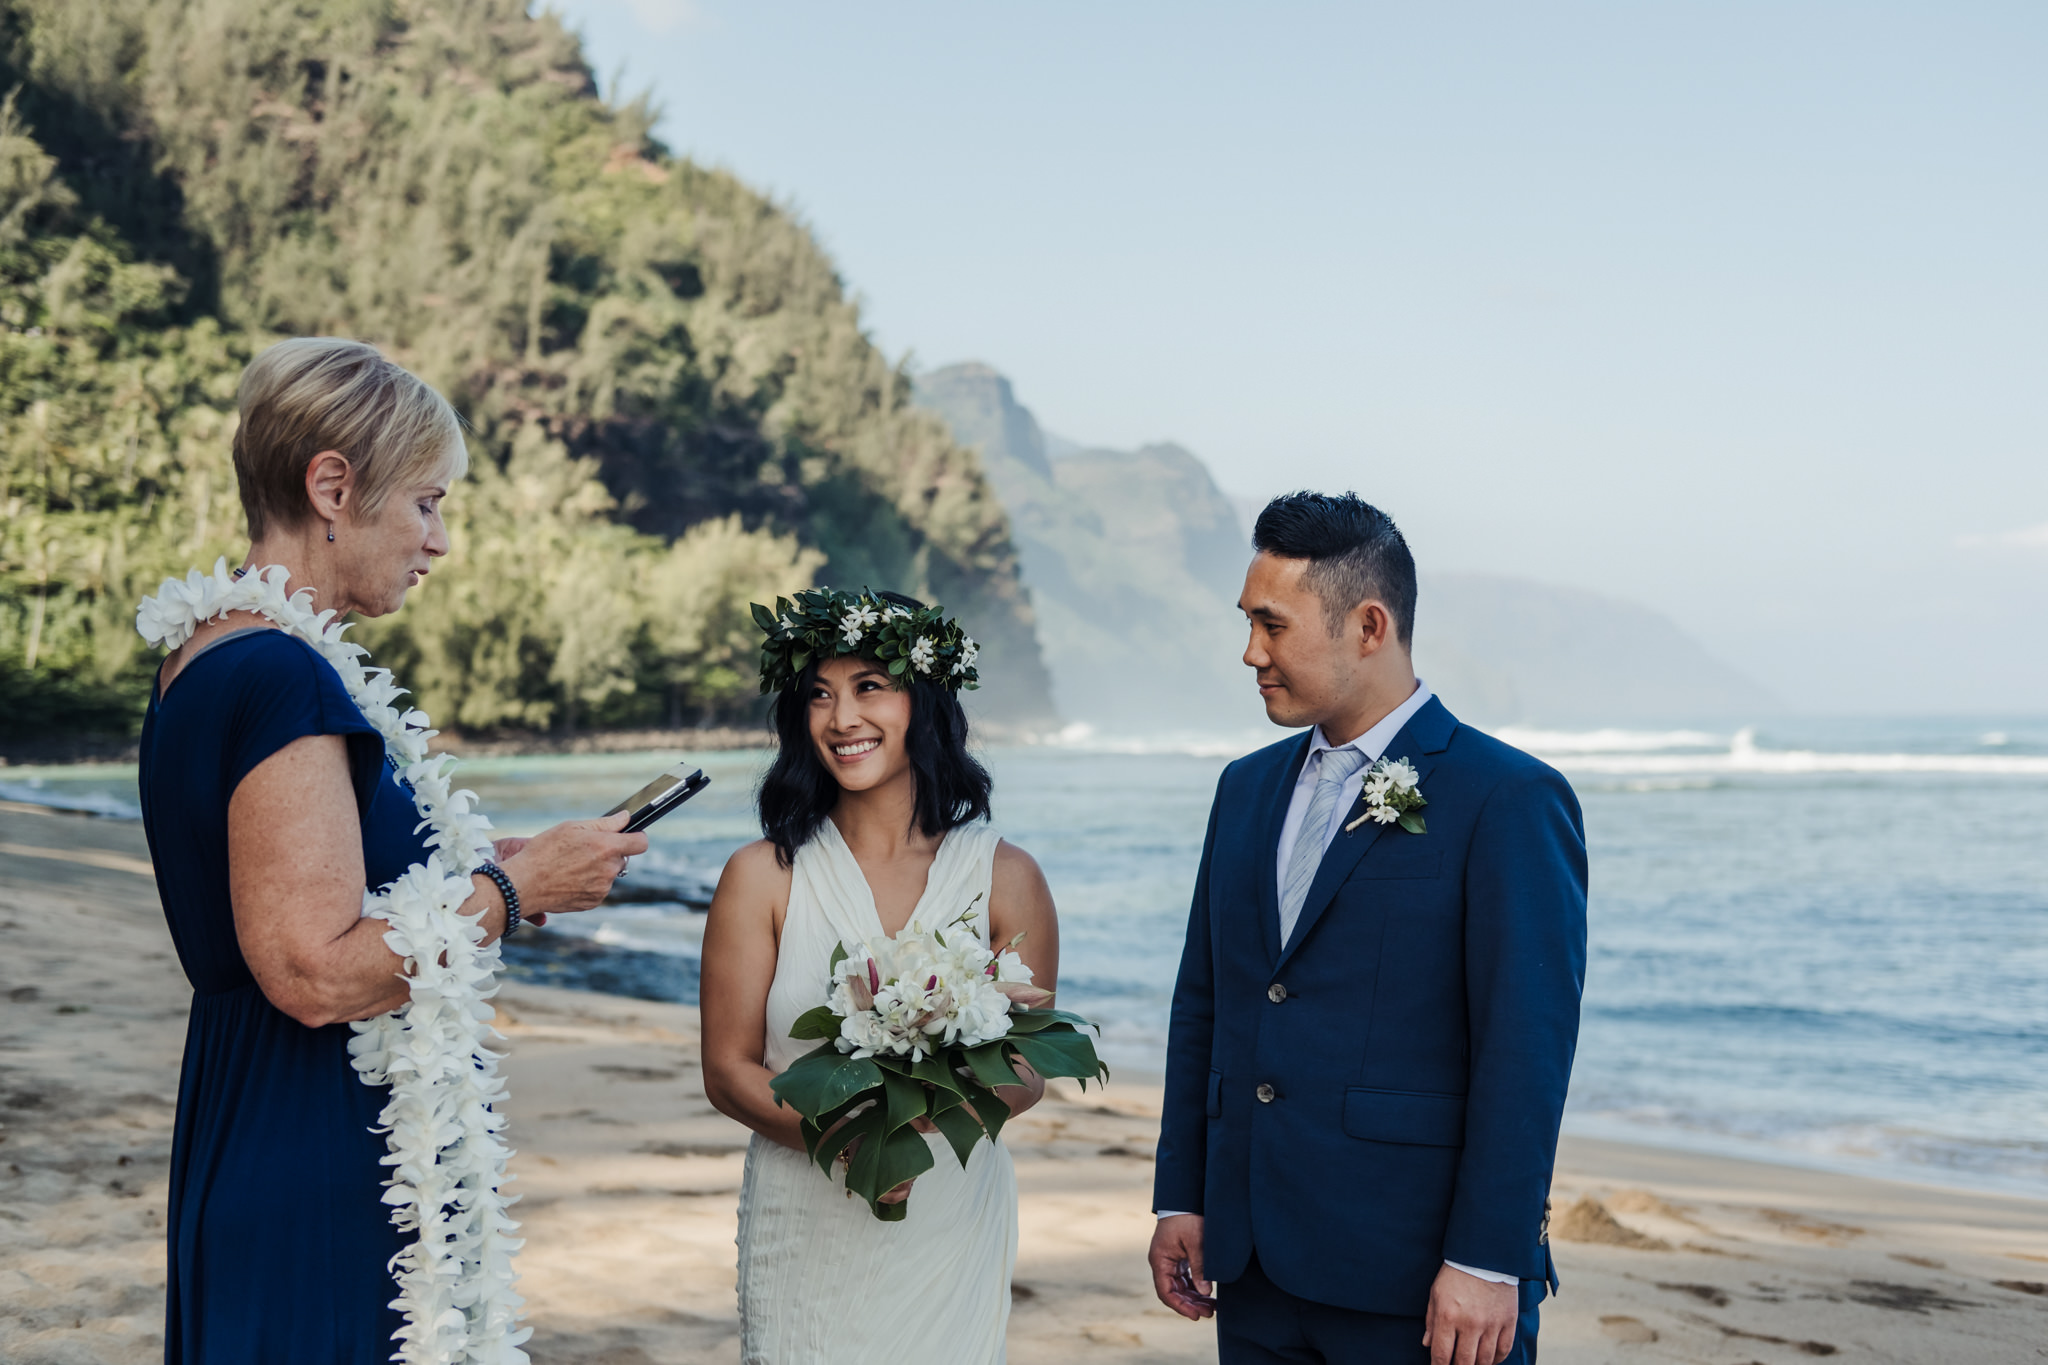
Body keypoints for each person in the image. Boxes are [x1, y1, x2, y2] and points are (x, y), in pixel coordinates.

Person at [138, 337, 646, 1363]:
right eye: (427, 502)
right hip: (310, 1136)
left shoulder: (215, 654)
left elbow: (307, 877)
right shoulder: (282, 678)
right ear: (332, 486)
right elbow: (312, 971)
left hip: (253, 1115)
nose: (440, 539)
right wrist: (509, 888)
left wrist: (483, 863)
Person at [1148, 491, 1588, 1365]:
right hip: (1255, 1261)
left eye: (1272, 625)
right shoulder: (1243, 789)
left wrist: (1487, 1255)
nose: (1250, 653)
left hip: (1420, 1278)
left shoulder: (1507, 798)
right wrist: (1182, 1196)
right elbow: (1207, 1001)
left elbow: (1525, 1048)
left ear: (1370, 624)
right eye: (1247, 623)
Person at [700, 587, 1059, 1364]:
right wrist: (846, 1143)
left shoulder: (1006, 877)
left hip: (950, 1208)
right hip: (808, 1207)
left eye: (869, 687)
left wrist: (919, 1125)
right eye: (820, 695)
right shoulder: (762, 876)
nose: (841, 718)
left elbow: (1029, 1068)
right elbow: (729, 1071)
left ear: (923, 701)